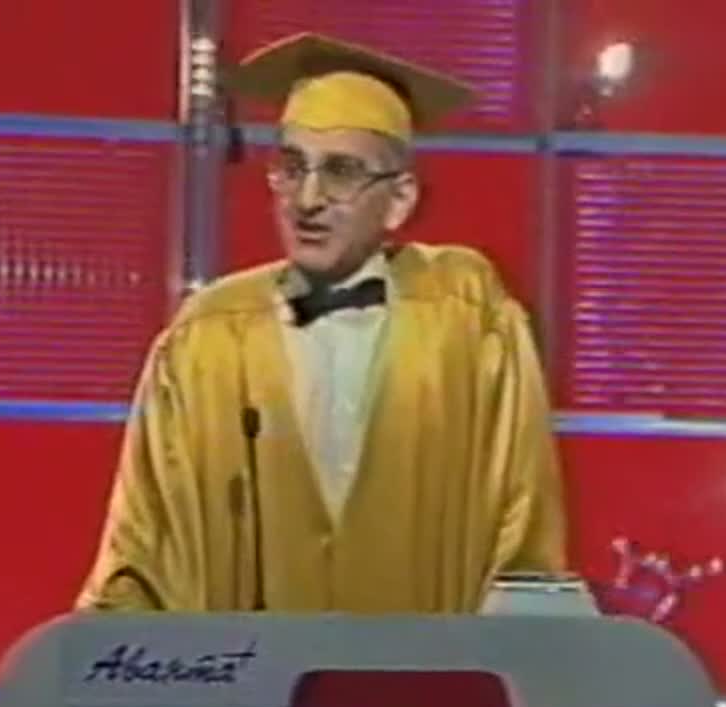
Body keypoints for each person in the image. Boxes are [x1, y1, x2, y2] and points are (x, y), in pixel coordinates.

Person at [76, 32, 567, 613]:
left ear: (400, 200)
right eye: (291, 167)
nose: (307, 198)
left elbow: (523, 533)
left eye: (341, 171)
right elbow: (141, 550)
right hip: (251, 670)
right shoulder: (206, 338)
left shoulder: (469, 322)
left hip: (424, 666)